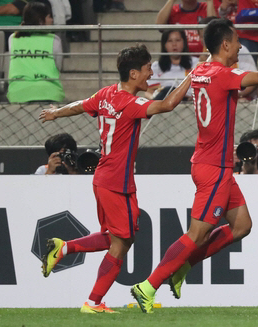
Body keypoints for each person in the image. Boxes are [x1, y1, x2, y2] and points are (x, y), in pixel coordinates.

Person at [130, 18, 258, 313]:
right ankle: (148, 285)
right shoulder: (222, 73)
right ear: (226, 44)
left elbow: (215, 67)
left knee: (242, 225)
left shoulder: (201, 70)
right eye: (236, 41)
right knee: (196, 234)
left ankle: (181, 268)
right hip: (214, 168)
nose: (241, 45)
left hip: (209, 163)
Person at [38, 44, 192, 313]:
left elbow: (80, 106)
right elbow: (168, 104)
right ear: (133, 73)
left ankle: (63, 249)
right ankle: (93, 302)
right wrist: (193, 76)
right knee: (120, 244)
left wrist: (56, 112)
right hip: (114, 182)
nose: (150, 73)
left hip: (109, 179)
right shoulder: (131, 104)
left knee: (120, 238)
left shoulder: (106, 94)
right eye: (146, 69)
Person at [7, 1, 64, 103]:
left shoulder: (13, 38)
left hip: (18, 93)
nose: (52, 20)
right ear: (41, 21)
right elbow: (58, 66)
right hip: (49, 92)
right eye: (49, 17)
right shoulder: (54, 40)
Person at [198, 16, 258, 100]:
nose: (239, 46)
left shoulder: (239, 50)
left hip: (243, 98)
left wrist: (236, 96)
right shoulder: (201, 64)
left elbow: (255, 80)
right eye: (202, 36)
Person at [146, 29, 199, 100]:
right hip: (163, 103)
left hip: (187, 103)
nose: (174, 44)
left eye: (178, 40)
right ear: (164, 45)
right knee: (168, 90)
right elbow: (148, 92)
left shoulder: (195, 64)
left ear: (184, 43)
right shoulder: (156, 67)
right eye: (170, 41)